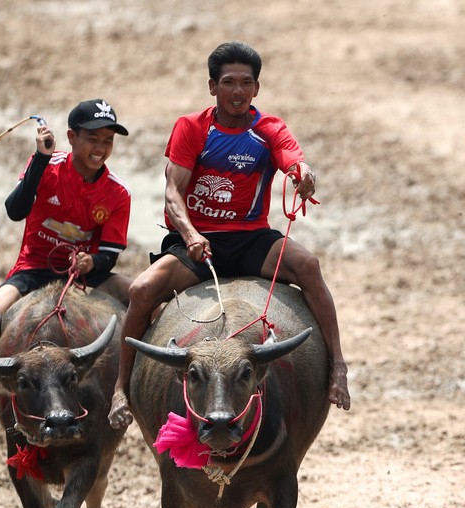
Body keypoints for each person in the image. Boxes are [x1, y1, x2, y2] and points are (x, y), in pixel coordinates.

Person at [108, 40, 349, 429]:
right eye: (228, 82)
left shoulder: (268, 128)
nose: (237, 91)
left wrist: (303, 175)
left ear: (256, 89)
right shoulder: (192, 128)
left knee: (309, 265)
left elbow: (293, 159)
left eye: (246, 83)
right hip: (199, 241)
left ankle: (338, 365)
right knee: (140, 291)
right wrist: (190, 236)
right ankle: (121, 386)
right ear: (212, 86)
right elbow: (172, 194)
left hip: (251, 238)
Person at [0, 100, 133, 458]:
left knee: (144, 298)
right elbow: (15, 211)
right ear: (71, 137)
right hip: (32, 270)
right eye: (92, 138)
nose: (100, 148)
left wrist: (93, 261)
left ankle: (136, 396)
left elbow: (111, 252)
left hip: (83, 275)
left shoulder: (118, 192)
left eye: (108, 139)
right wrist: (41, 159)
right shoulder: (47, 165)